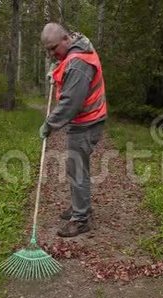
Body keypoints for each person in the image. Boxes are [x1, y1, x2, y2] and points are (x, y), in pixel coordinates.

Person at [39, 23, 107, 237]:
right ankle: (80, 206)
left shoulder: (78, 63)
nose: (51, 54)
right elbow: (65, 67)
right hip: (87, 119)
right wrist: (56, 69)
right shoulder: (76, 48)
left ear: (66, 39)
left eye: (53, 48)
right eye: (48, 50)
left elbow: (70, 103)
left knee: (77, 169)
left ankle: (81, 219)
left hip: (87, 122)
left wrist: (49, 124)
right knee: (75, 167)